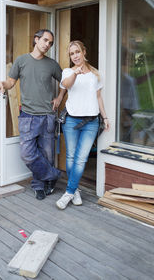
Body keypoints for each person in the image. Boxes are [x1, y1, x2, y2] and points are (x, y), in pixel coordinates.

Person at [0, 29, 66, 200]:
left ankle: (39, 185)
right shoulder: (21, 61)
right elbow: (11, 82)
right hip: (28, 116)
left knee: (47, 155)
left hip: (48, 116)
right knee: (27, 154)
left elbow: (65, 81)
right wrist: (1, 83)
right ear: (36, 39)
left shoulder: (52, 64)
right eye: (45, 40)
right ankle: (53, 175)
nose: (47, 44)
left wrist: (59, 97)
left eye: (50, 43)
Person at [56, 40, 109, 210]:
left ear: (84, 52)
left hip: (91, 122)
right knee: (71, 156)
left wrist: (105, 117)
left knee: (81, 159)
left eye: (77, 52)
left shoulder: (95, 74)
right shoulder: (68, 72)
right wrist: (75, 74)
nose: (75, 56)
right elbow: (66, 85)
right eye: (72, 54)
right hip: (72, 120)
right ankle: (74, 190)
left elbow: (98, 97)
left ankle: (69, 192)